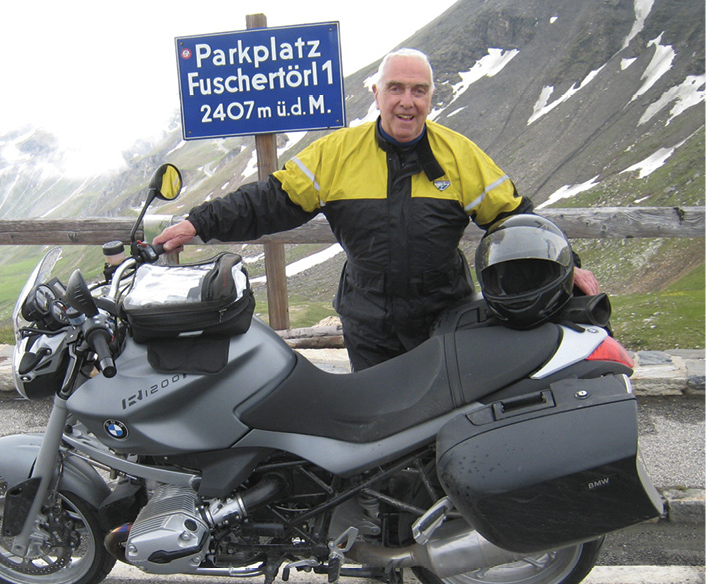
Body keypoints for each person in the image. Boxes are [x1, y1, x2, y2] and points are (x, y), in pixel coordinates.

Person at [154, 49, 599, 370]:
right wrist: (199, 222)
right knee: (377, 424)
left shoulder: (460, 155)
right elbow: (274, 201)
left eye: (419, 91)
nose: (408, 101)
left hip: (444, 314)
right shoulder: (336, 152)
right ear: (377, 93)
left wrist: (567, 265)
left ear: (431, 97)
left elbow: (512, 216)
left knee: (441, 419)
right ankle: (382, 501)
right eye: (397, 88)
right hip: (368, 318)